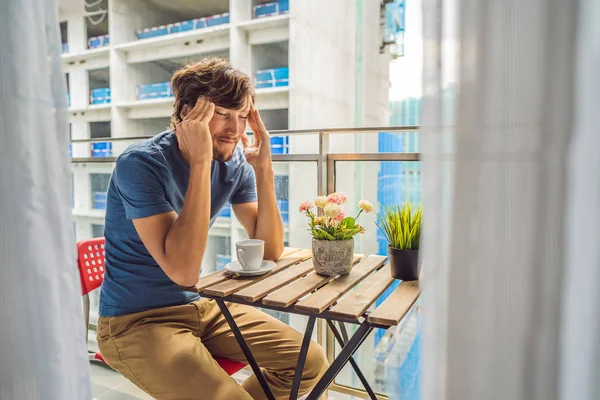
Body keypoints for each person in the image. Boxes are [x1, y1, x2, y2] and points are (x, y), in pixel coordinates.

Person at [96, 58, 328, 400]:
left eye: (242, 116)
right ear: (188, 114)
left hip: (201, 306)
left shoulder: (233, 161)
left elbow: (270, 249)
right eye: (223, 114)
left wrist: (264, 170)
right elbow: (184, 271)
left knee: (310, 360)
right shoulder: (141, 164)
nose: (236, 130)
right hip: (134, 322)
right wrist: (201, 160)